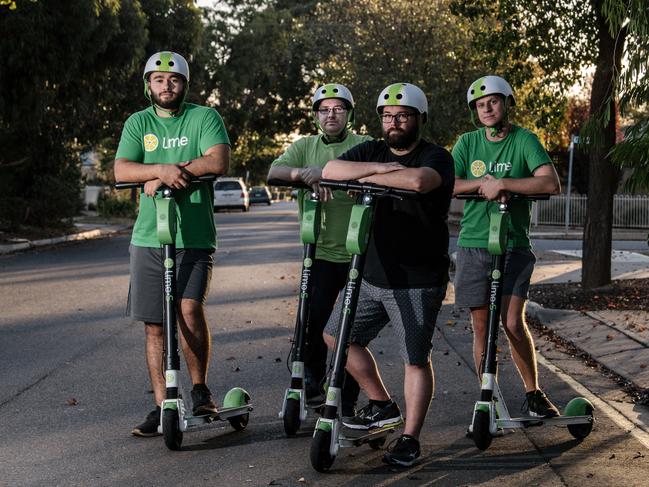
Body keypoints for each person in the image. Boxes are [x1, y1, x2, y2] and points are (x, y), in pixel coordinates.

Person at [321, 82, 454, 466]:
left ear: (419, 119)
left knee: (414, 358)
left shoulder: (437, 156)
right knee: (336, 336)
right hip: (370, 273)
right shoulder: (375, 151)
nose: (393, 122)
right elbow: (331, 169)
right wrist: (380, 168)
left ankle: (410, 438)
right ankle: (381, 403)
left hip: (418, 277)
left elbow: (417, 181)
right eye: (387, 116)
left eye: (402, 116)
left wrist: (360, 178)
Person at [114, 51, 231, 437]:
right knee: (154, 327)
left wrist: (166, 175)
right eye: (158, 80)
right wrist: (155, 169)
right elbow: (121, 170)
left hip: (194, 236)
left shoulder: (204, 117)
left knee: (188, 309)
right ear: (148, 84)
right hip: (149, 237)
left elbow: (217, 161)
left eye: (174, 80)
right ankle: (164, 404)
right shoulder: (138, 122)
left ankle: (199, 391)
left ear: (184, 84)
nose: (166, 86)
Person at [452, 75, 561, 421]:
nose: (487, 108)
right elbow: (450, 183)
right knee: (481, 326)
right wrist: (483, 184)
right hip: (473, 245)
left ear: (507, 103)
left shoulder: (524, 140)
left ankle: (533, 393)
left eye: (493, 102)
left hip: (513, 244)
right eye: (480, 105)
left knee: (513, 322)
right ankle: (489, 395)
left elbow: (549, 182)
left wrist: (506, 184)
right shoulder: (467, 143)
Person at [267, 83, 370, 416]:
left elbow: (389, 171)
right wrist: (302, 173)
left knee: (350, 330)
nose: (331, 114)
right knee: (312, 322)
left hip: (359, 253)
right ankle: (311, 383)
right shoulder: (305, 146)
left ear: (349, 114)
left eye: (338, 108)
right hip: (321, 254)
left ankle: (348, 398)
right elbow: (274, 172)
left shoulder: (364, 145)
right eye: (324, 109)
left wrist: (359, 179)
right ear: (315, 116)